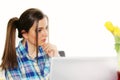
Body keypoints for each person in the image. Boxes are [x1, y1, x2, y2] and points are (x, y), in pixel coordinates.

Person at [0, 8, 59, 80]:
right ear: (25, 34)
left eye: (46, 28)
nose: (46, 34)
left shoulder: (49, 53)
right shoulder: (13, 59)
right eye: (39, 30)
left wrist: (55, 59)